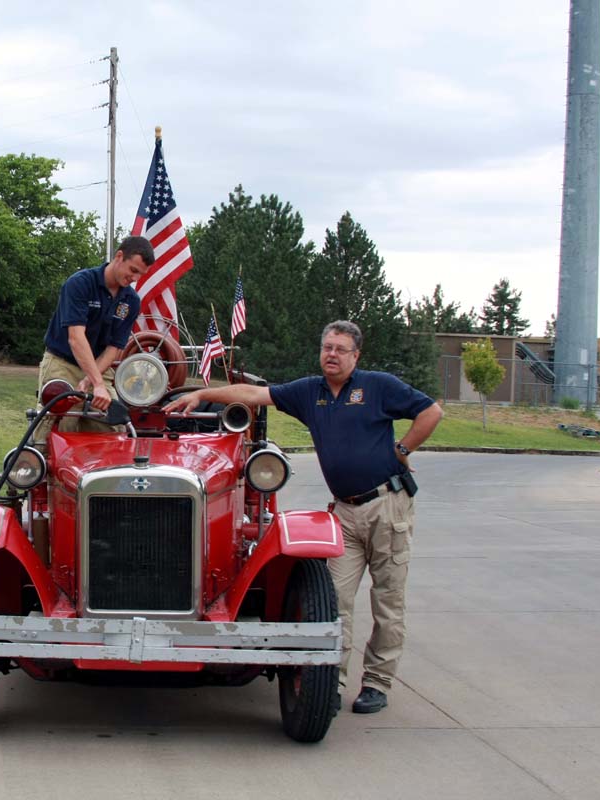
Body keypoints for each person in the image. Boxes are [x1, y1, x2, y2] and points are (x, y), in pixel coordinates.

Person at [164, 320, 443, 714]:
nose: (332, 354)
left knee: (388, 601)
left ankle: (377, 683)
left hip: (387, 506)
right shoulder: (310, 392)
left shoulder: (379, 386)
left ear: (355, 355)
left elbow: (431, 411)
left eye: (341, 349)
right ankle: (330, 682)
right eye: (327, 346)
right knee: (333, 603)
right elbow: (253, 393)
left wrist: (402, 448)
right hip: (344, 510)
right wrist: (203, 393)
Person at [37, 236, 155, 433]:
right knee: (55, 427)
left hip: (100, 367)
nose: (134, 279)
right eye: (133, 270)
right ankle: (33, 462)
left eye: (140, 275)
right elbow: (75, 338)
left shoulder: (131, 301)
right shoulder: (80, 284)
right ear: (119, 256)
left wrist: (91, 381)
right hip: (63, 363)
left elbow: (114, 348)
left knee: (117, 426)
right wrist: (97, 384)